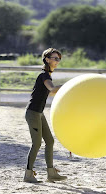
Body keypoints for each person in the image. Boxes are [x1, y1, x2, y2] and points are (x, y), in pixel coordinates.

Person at [23, 48, 67, 183]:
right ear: (47, 59)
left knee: (50, 141)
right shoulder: (44, 76)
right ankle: (28, 174)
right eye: (55, 58)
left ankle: (51, 173)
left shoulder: (47, 75)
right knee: (36, 143)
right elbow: (53, 90)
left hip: (39, 113)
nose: (57, 61)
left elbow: (52, 92)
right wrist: (68, 85)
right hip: (32, 113)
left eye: (59, 59)